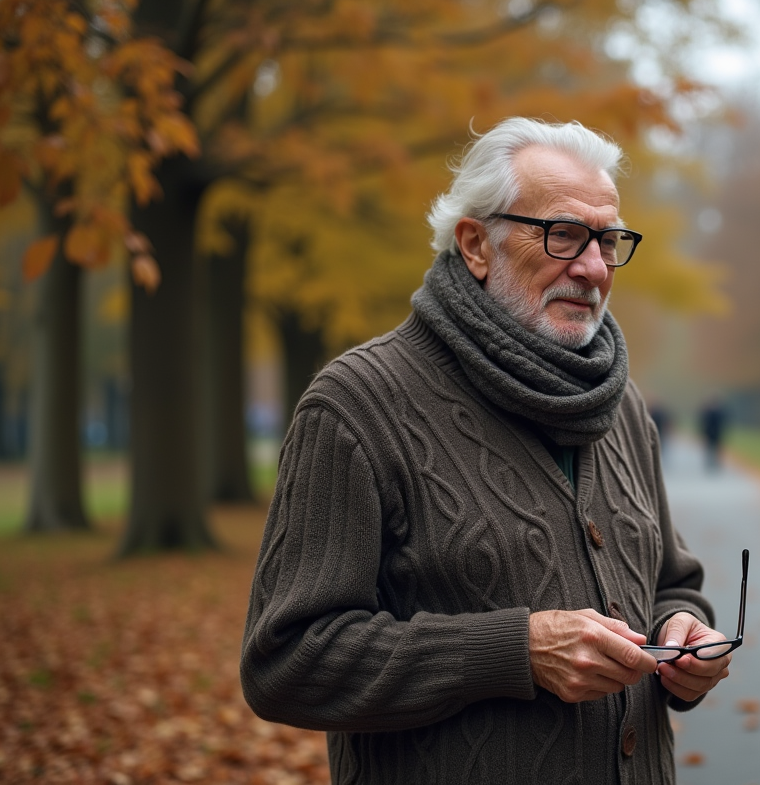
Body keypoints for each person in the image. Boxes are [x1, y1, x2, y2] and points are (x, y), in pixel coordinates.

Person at [240, 117, 734, 784]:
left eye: (609, 240)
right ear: (476, 244)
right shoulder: (357, 404)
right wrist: (518, 651)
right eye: (564, 235)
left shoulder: (619, 405)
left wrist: (684, 633)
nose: (593, 268)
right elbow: (286, 663)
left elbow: (672, 582)